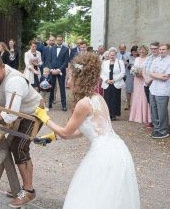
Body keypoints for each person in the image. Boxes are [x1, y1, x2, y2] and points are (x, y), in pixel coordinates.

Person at [34, 53, 140, 209]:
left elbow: (66, 132)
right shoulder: (97, 98)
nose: (67, 82)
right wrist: (53, 137)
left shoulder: (84, 103)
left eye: (70, 78)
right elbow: (88, 130)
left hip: (104, 155)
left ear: (80, 79)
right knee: (106, 197)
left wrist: (45, 118)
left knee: (91, 196)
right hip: (117, 150)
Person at [0, 52, 43, 208]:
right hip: (15, 113)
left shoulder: (14, 81)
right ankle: (17, 186)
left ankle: (29, 191)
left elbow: (9, 115)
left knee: (19, 147)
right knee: (9, 146)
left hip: (33, 114)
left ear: (3, 67)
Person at [149, 43, 170, 139]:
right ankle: (156, 128)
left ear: (168, 50)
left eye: (163, 49)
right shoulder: (156, 60)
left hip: (163, 90)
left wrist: (155, 75)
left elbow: (166, 77)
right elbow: (150, 73)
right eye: (160, 49)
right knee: (154, 110)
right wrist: (159, 75)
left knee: (162, 111)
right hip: (153, 89)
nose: (161, 51)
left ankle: (163, 130)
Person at [100, 48, 125, 120]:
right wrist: (106, 80)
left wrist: (114, 80)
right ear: (108, 55)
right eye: (110, 55)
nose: (112, 56)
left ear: (116, 55)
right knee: (107, 99)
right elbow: (101, 73)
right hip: (107, 83)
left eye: (113, 55)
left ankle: (114, 114)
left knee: (115, 99)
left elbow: (123, 73)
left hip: (116, 83)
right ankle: (108, 114)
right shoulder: (105, 62)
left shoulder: (120, 62)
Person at [129, 45, 151, 124]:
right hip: (137, 80)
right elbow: (133, 68)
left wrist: (142, 74)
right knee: (136, 96)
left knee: (144, 96)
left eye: (143, 50)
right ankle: (135, 116)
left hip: (143, 80)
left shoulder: (148, 59)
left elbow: (148, 70)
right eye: (140, 50)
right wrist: (134, 72)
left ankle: (144, 117)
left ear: (146, 51)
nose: (142, 51)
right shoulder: (137, 59)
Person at [48, 35, 69, 111]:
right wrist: (51, 70)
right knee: (51, 87)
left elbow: (66, 62)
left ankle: (64, 105)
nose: (59, 41)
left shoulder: (66, 49)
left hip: (61, 72)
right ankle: (49, 104)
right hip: (52, 72)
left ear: (62, 41)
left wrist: (59, 70)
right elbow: (49, 60)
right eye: (58, 40)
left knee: (62, 88)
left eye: (60, 40)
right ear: (56, 40)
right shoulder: (52, 49)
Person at [142, 41, 160, 128]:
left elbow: (160, 72)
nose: (153, 50)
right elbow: (144, 69)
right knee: (150, 103)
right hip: (147, 84)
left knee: (157, 104)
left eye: (155, 49)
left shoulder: (161, 59)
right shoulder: (149, 58)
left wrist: (150, 79)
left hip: (156, 84)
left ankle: (158, 122)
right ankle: (153, 121)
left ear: (158, 48)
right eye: (151, 48)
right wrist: (146, 79)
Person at [124, 46, 138, 110]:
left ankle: (135, 105)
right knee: (128, 90)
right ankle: (128, 105)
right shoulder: (128, 57)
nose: (134, 53)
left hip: (137, 76)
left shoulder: (139, 57)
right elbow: (125, 63)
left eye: (136, 52)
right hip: (129, 75)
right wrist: (127, 65)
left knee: (136, 91)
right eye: (133, 52)